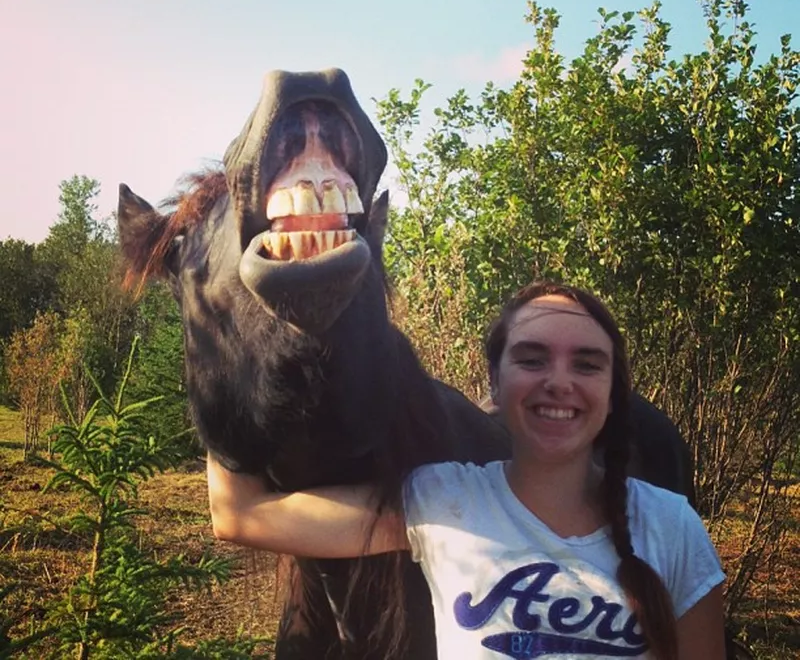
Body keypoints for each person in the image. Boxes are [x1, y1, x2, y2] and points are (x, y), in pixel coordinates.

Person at [207, 280, 726, 660]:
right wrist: (222, 351)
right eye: (532, 359)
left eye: (587, 364)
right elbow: (242, 514)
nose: (559, 382)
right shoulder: (441, 504)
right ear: (494, 389)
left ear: (614, 395)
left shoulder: (673, 527)